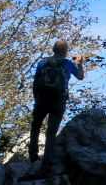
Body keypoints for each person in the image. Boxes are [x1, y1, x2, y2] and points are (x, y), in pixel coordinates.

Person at [28, 39, 85, 172]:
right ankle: (47, 164)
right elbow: (81, 77)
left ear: (53, 50)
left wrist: (37, 99)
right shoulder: (68, 63)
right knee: (51, 132)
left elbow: (35, 82)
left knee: (35, 125)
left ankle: (33, 156)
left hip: (42, 99)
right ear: (65, 52)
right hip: (58, 100)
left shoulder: (43, 62)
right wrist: (79, 64)